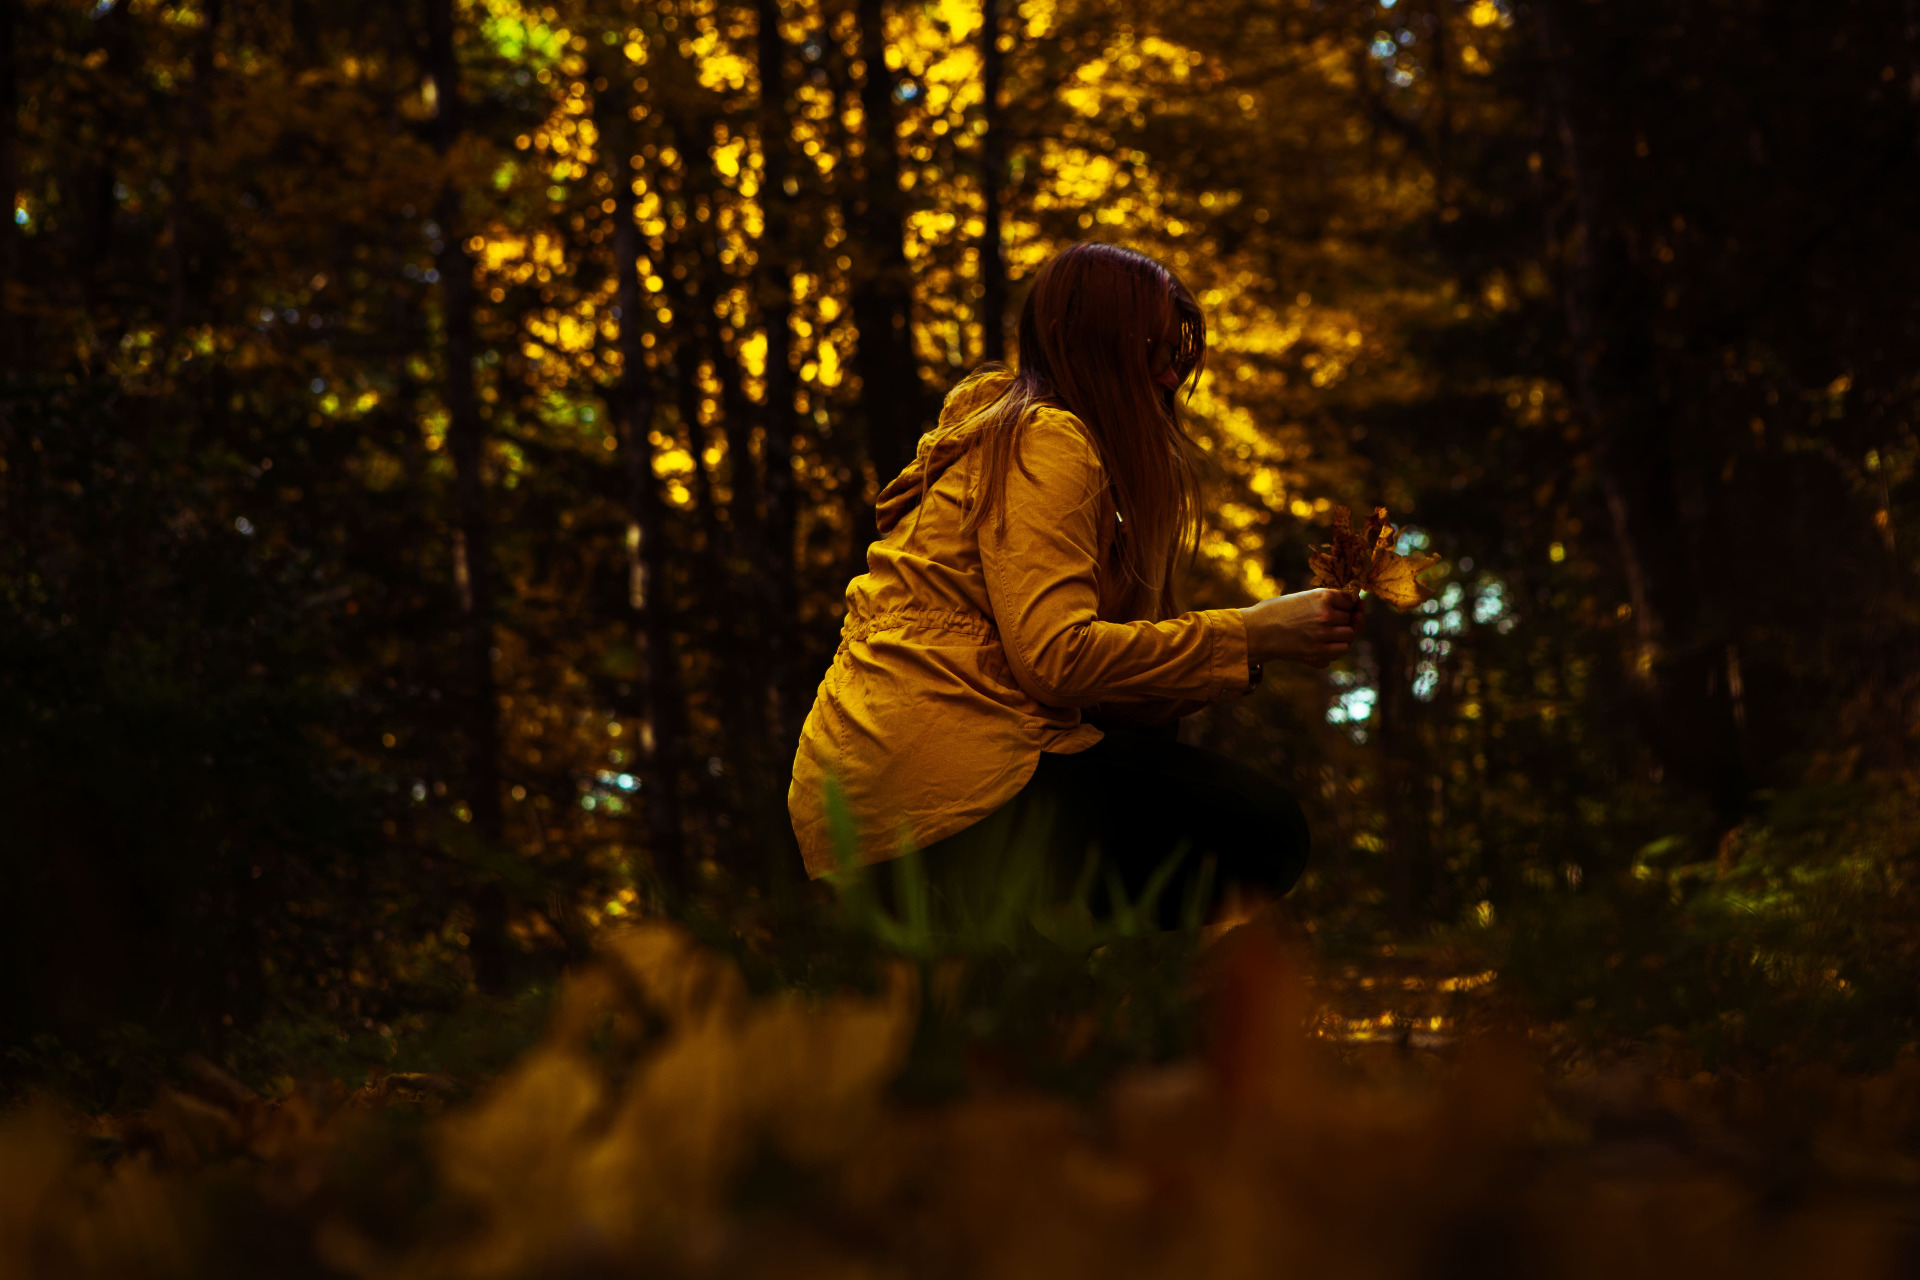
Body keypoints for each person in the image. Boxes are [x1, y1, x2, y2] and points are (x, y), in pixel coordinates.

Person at [788, 242, 1361, 936]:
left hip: (857, 799)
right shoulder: (1049, 438)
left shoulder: (1003, 438)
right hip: (945, 785)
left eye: (1177, 353)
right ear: (1092, 345)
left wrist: (1252, 651)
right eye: (1153, 346)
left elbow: (1093, 689)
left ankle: (1029, 990)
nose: (1168, 374)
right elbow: (1056, 659)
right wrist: (1251, 631)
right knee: (1260, 829)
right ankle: (1077, 995)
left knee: (1154, 742)